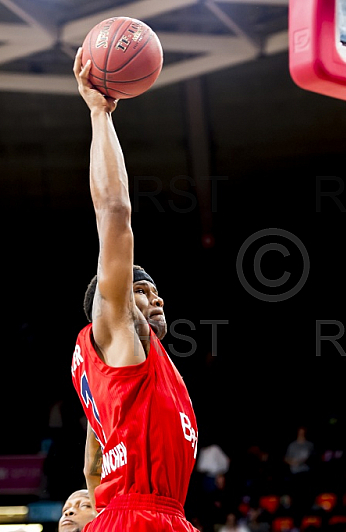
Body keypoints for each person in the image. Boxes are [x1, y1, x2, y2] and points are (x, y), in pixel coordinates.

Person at [69, 47, 199, 531]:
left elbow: (93, 466)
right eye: (143, 290)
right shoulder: (116, 329)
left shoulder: (114, 370)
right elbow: (114, 213)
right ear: (110, 306)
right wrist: (99, 114)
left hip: (149, 516)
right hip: (141, 517)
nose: (156, 298)